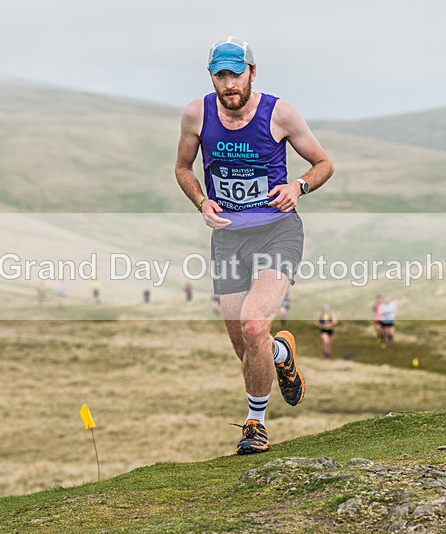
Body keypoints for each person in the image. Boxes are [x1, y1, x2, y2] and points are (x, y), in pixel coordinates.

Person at [175, 36, 334, 455]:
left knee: (252, 324)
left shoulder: (279, 113)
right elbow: (183, 167)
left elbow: (324, 163)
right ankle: (281, 351)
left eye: (235, 74)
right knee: (247, 346)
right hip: (227, 238)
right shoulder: (196, 114)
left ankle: (255, 426)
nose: (228, 84)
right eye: (220, 75)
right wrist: (200, 200)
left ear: (252, 72)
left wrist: (298, 187)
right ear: (211, 76)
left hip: (276, 232)